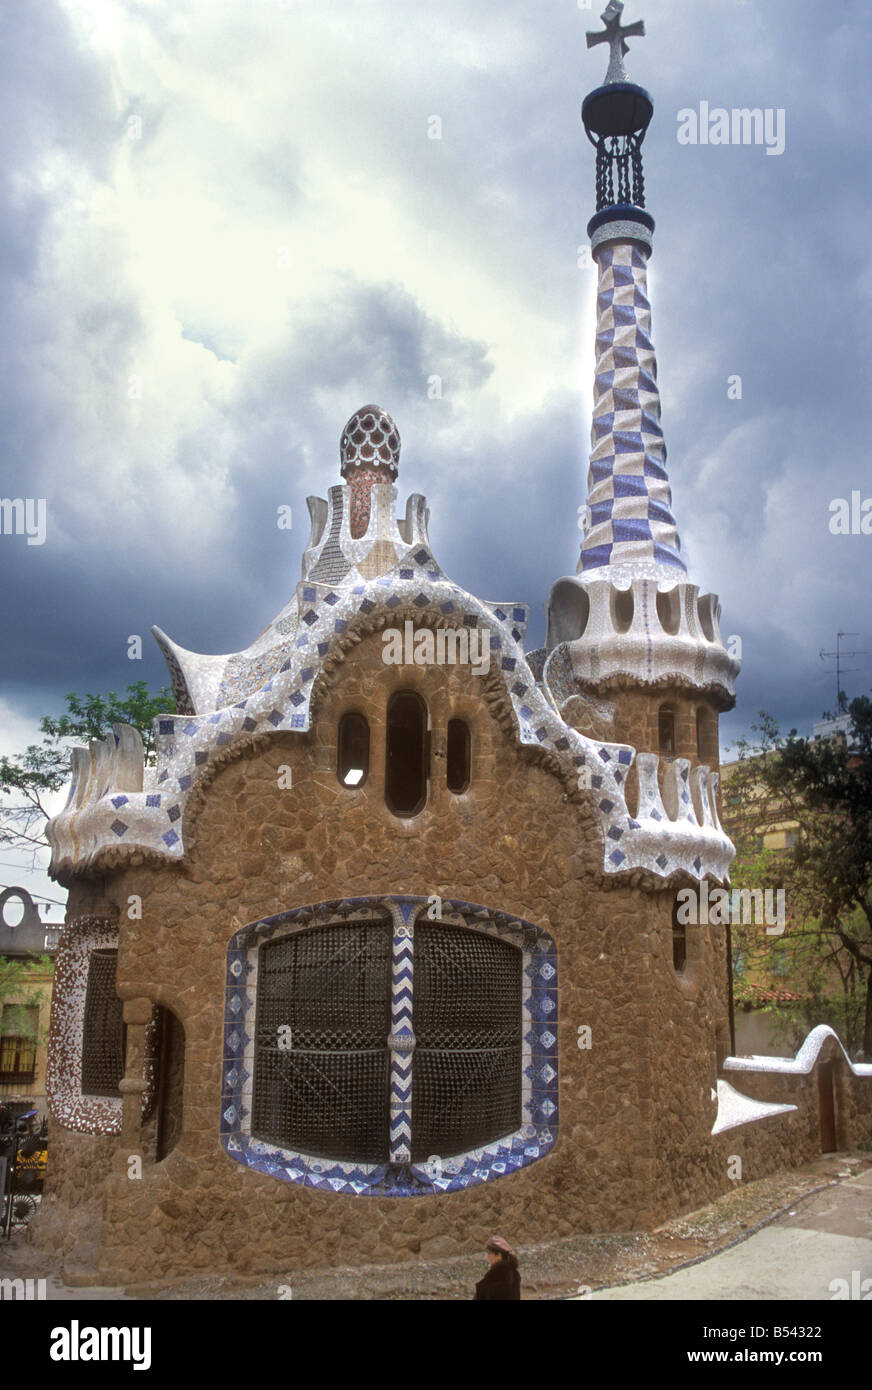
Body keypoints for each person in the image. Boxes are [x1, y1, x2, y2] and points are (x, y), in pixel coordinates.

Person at [473, 1235, 521, 1300]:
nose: (488, 1257)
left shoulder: (498, 1275)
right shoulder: (514, 1273)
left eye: (490, 1253)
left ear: (499, 1255)